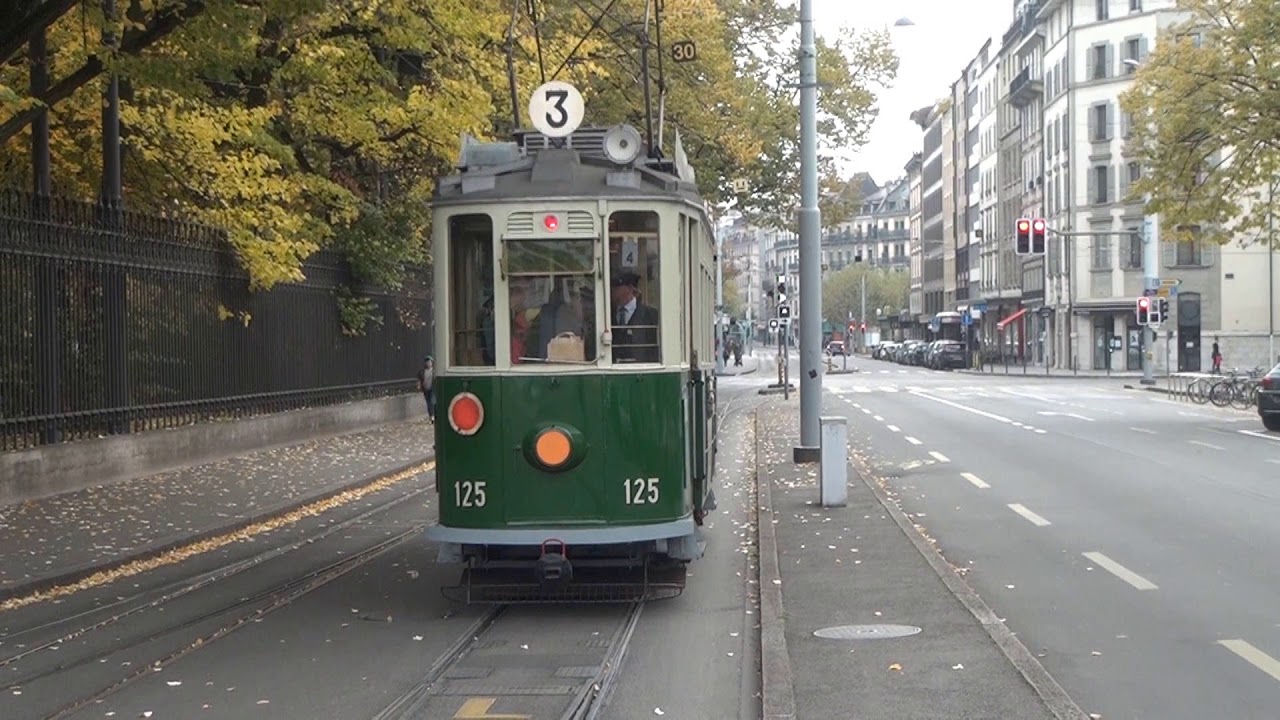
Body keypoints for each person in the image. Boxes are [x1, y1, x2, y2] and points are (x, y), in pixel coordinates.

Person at [610, 271, 659, 363]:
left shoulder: (651, 315)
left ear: (630, 288)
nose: (612, 290)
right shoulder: (608, 316)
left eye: (617, 286)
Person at [416, 356, 435, 421]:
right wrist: (419, 385)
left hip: (433, 389)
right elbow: (419, 379)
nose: (428, 363)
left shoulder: (434, 371)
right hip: (426, 389)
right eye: (427, 362)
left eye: (429, 362)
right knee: (428, 403)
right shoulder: (422, 371)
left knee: (432, 402)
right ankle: (431, 415)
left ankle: (433, 415)